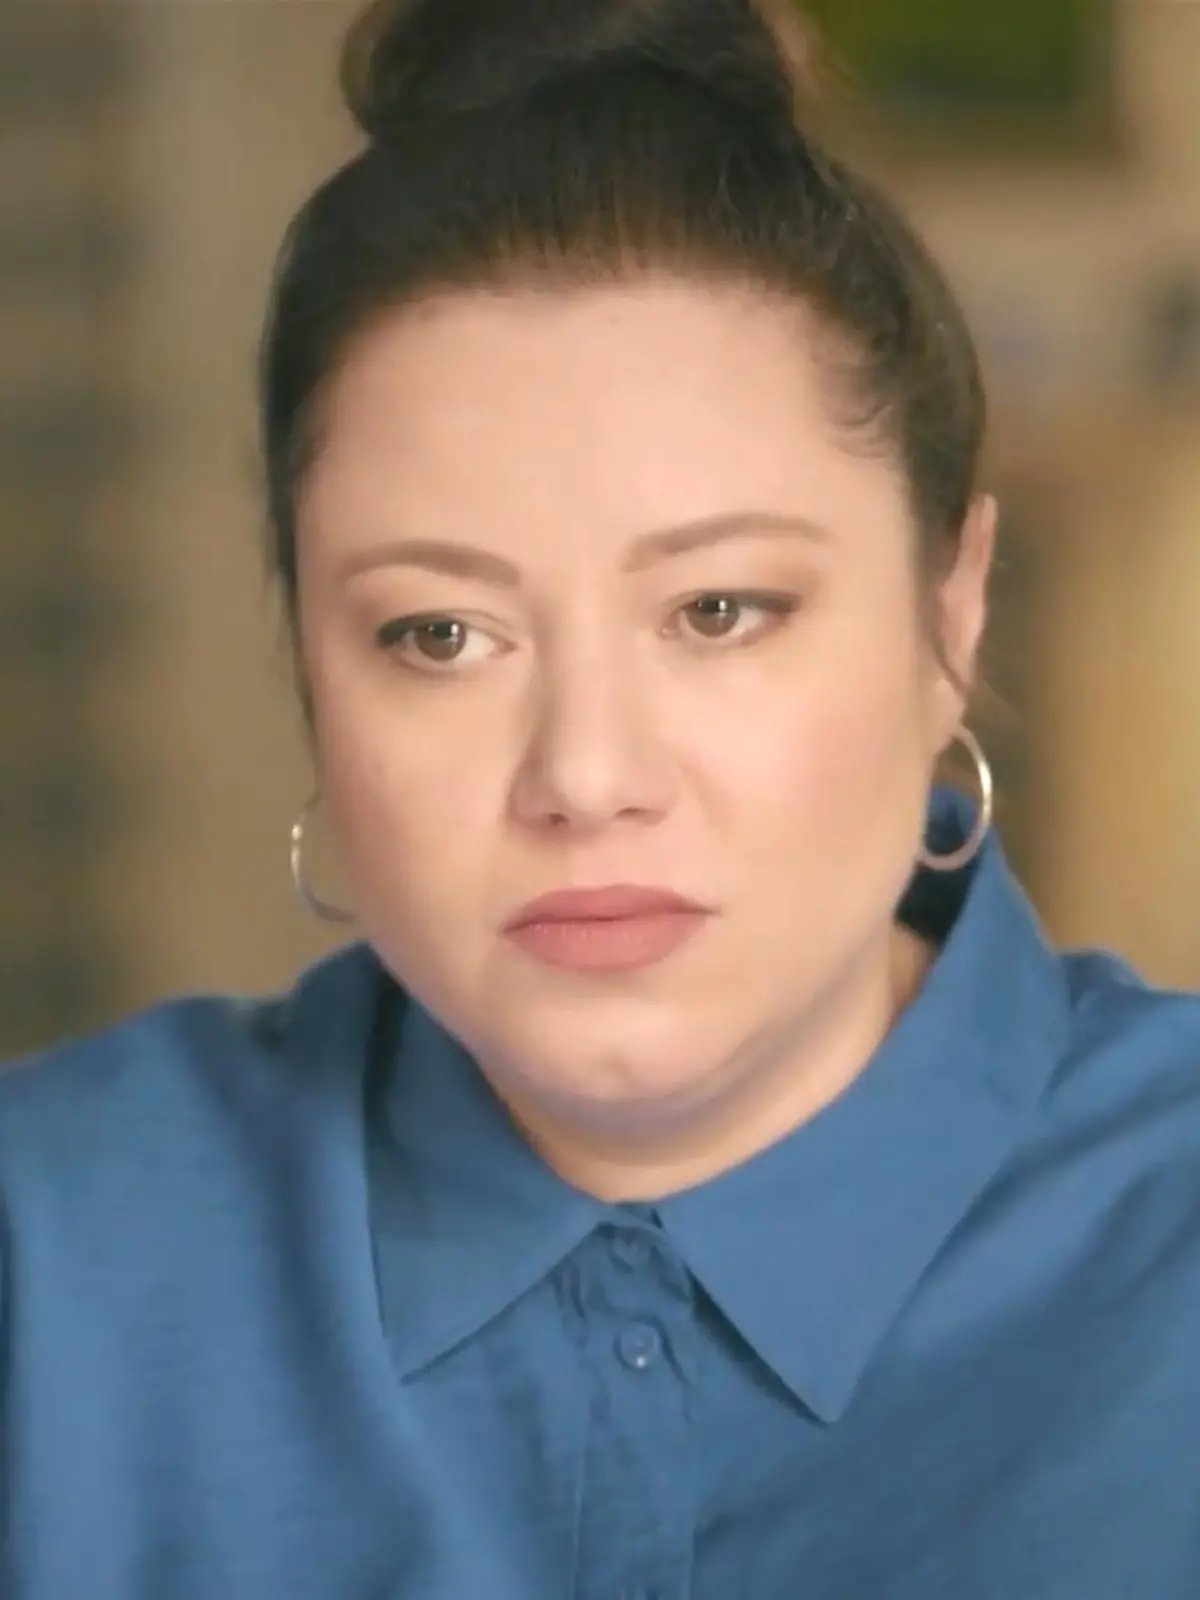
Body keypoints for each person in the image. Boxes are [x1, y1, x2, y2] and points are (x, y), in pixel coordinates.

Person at [3, 0, 1200, 1594]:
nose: (584, 776)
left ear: (950, 613)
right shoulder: (49, 1255)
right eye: (439, 635)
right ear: (308, 666)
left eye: (719, 610)